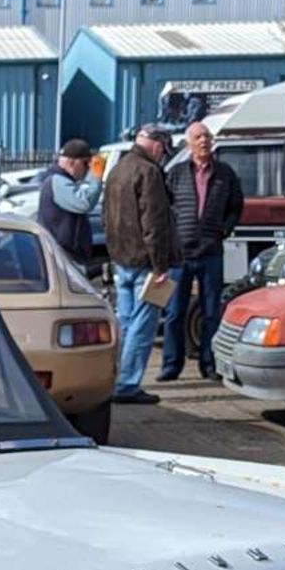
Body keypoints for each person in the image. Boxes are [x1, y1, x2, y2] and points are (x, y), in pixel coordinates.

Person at [102, 124, 182, 405]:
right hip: (145, 261)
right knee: (143, 325)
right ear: (158, 147)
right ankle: (127, 384)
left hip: (121, 258)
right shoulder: (149, 172)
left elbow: (106, 216)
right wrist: (161, 265)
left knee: (125, 322)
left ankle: (115, 378)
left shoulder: (118, 169)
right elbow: (155, 223)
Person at [160, 121, 245, 381]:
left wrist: (224, 230)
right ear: (188, 143)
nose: (203, 141)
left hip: (211, 252)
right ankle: (171, 366)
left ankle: (210, 366)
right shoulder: (175, 174)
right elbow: (164, 209)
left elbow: (236, 206)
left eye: (207, 136)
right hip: (180, 255)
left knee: (211, 313)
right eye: (198, 137)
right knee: (175, 313)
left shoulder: (225, 174)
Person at [36, 137, 101, 267]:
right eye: (86, 164)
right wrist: (96, 177)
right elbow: (84, 203)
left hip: (63, 255)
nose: (88, 169)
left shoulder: (58, 179)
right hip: (63, 256)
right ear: (72, 162)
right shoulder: (57, 181)